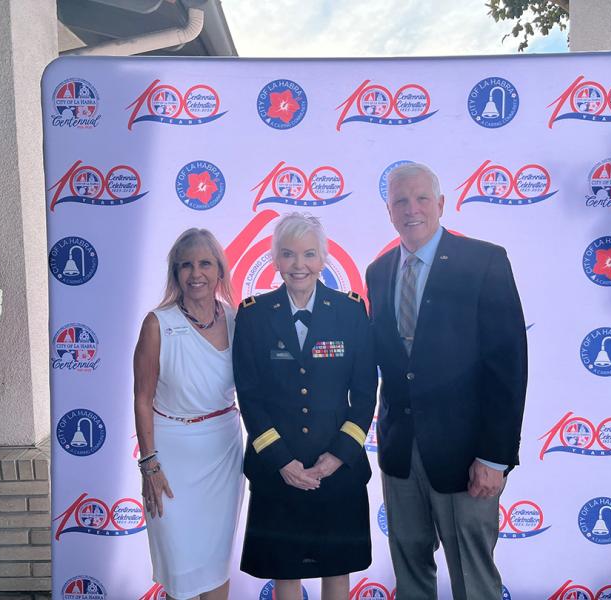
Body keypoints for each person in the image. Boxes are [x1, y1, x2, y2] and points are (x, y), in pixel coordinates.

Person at [365, 163, 528, 599]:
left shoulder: (484, 260)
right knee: (411, 571)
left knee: (473, 576)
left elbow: (508, 365)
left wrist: (495, 457)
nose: (411, 209)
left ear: (440, 204)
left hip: (467, 456)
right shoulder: (378, 273)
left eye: (421, 199)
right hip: (401, 453)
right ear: (389, 211)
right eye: (401, 200)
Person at [233, 213, 377, 600]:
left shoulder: (350, 311)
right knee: (285, 571)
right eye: (288, 254)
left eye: (309, 254)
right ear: (275, 260)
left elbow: (365, 393)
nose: (299, 265)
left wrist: (338, 456)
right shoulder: (253, 315)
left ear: (324, 259)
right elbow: (250, 396)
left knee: (337, 569)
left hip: (338, 469)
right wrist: (282, 461)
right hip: (278, 468)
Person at [133, 228, 244, 600]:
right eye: (186, 265)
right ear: (175, 273)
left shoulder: (236, 320)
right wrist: (149, 464)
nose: (196, 273)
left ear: (220, 272)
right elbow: (142, 397)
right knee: (180, 571)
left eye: (205, 264)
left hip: (224, 455)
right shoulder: (157, 323)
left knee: (215, 562)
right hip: (170, 459)